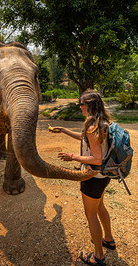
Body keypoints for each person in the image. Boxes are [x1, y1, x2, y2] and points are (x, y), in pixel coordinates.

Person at [49, 89, 116, 266]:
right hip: (103, 176)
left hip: (93, 177)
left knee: (91, 214)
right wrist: (64, 130)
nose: (80, 107)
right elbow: (85, 139)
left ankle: (98, 256)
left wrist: (72, 157)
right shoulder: (102, 122)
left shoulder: (92, 126)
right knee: (100, 206)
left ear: (89, 105)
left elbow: (96, 158)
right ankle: (108, 239)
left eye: (81, 104)